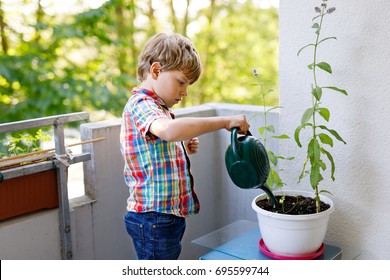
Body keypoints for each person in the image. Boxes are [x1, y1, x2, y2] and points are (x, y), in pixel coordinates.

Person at [120, 32, 250, 260]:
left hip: (164, 217)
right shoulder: (141, 104)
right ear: (156, 71)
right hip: (153, 218)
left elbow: (163, 141)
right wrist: (224, 121)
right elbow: (169, 131)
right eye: (181, 82)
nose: (185, 92)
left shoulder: (160, 109)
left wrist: (182, 146)